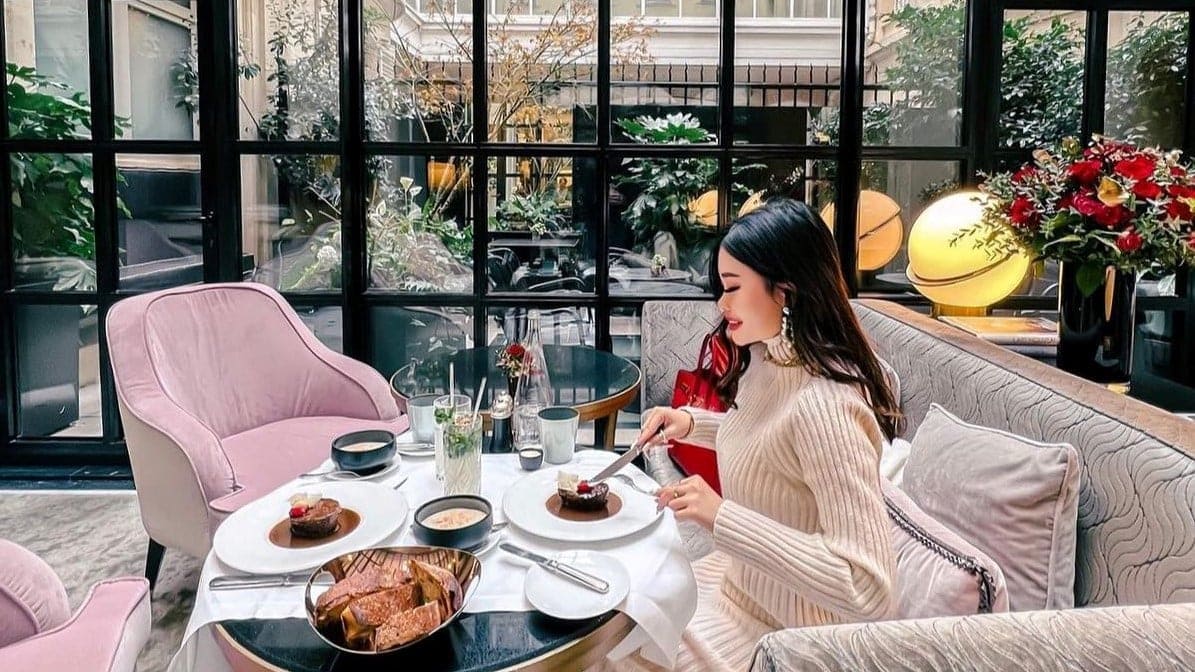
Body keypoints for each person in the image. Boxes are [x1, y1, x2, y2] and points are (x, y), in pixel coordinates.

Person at [623, 197, 902, 671]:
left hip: (785, 642)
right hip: (731, 590)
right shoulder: (770, 360)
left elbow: (869, 587)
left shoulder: (827, 406)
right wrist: (692, 423)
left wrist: (721, 518)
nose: (721, 303)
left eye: (732, 287)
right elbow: (771, 443)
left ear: (785, 292)